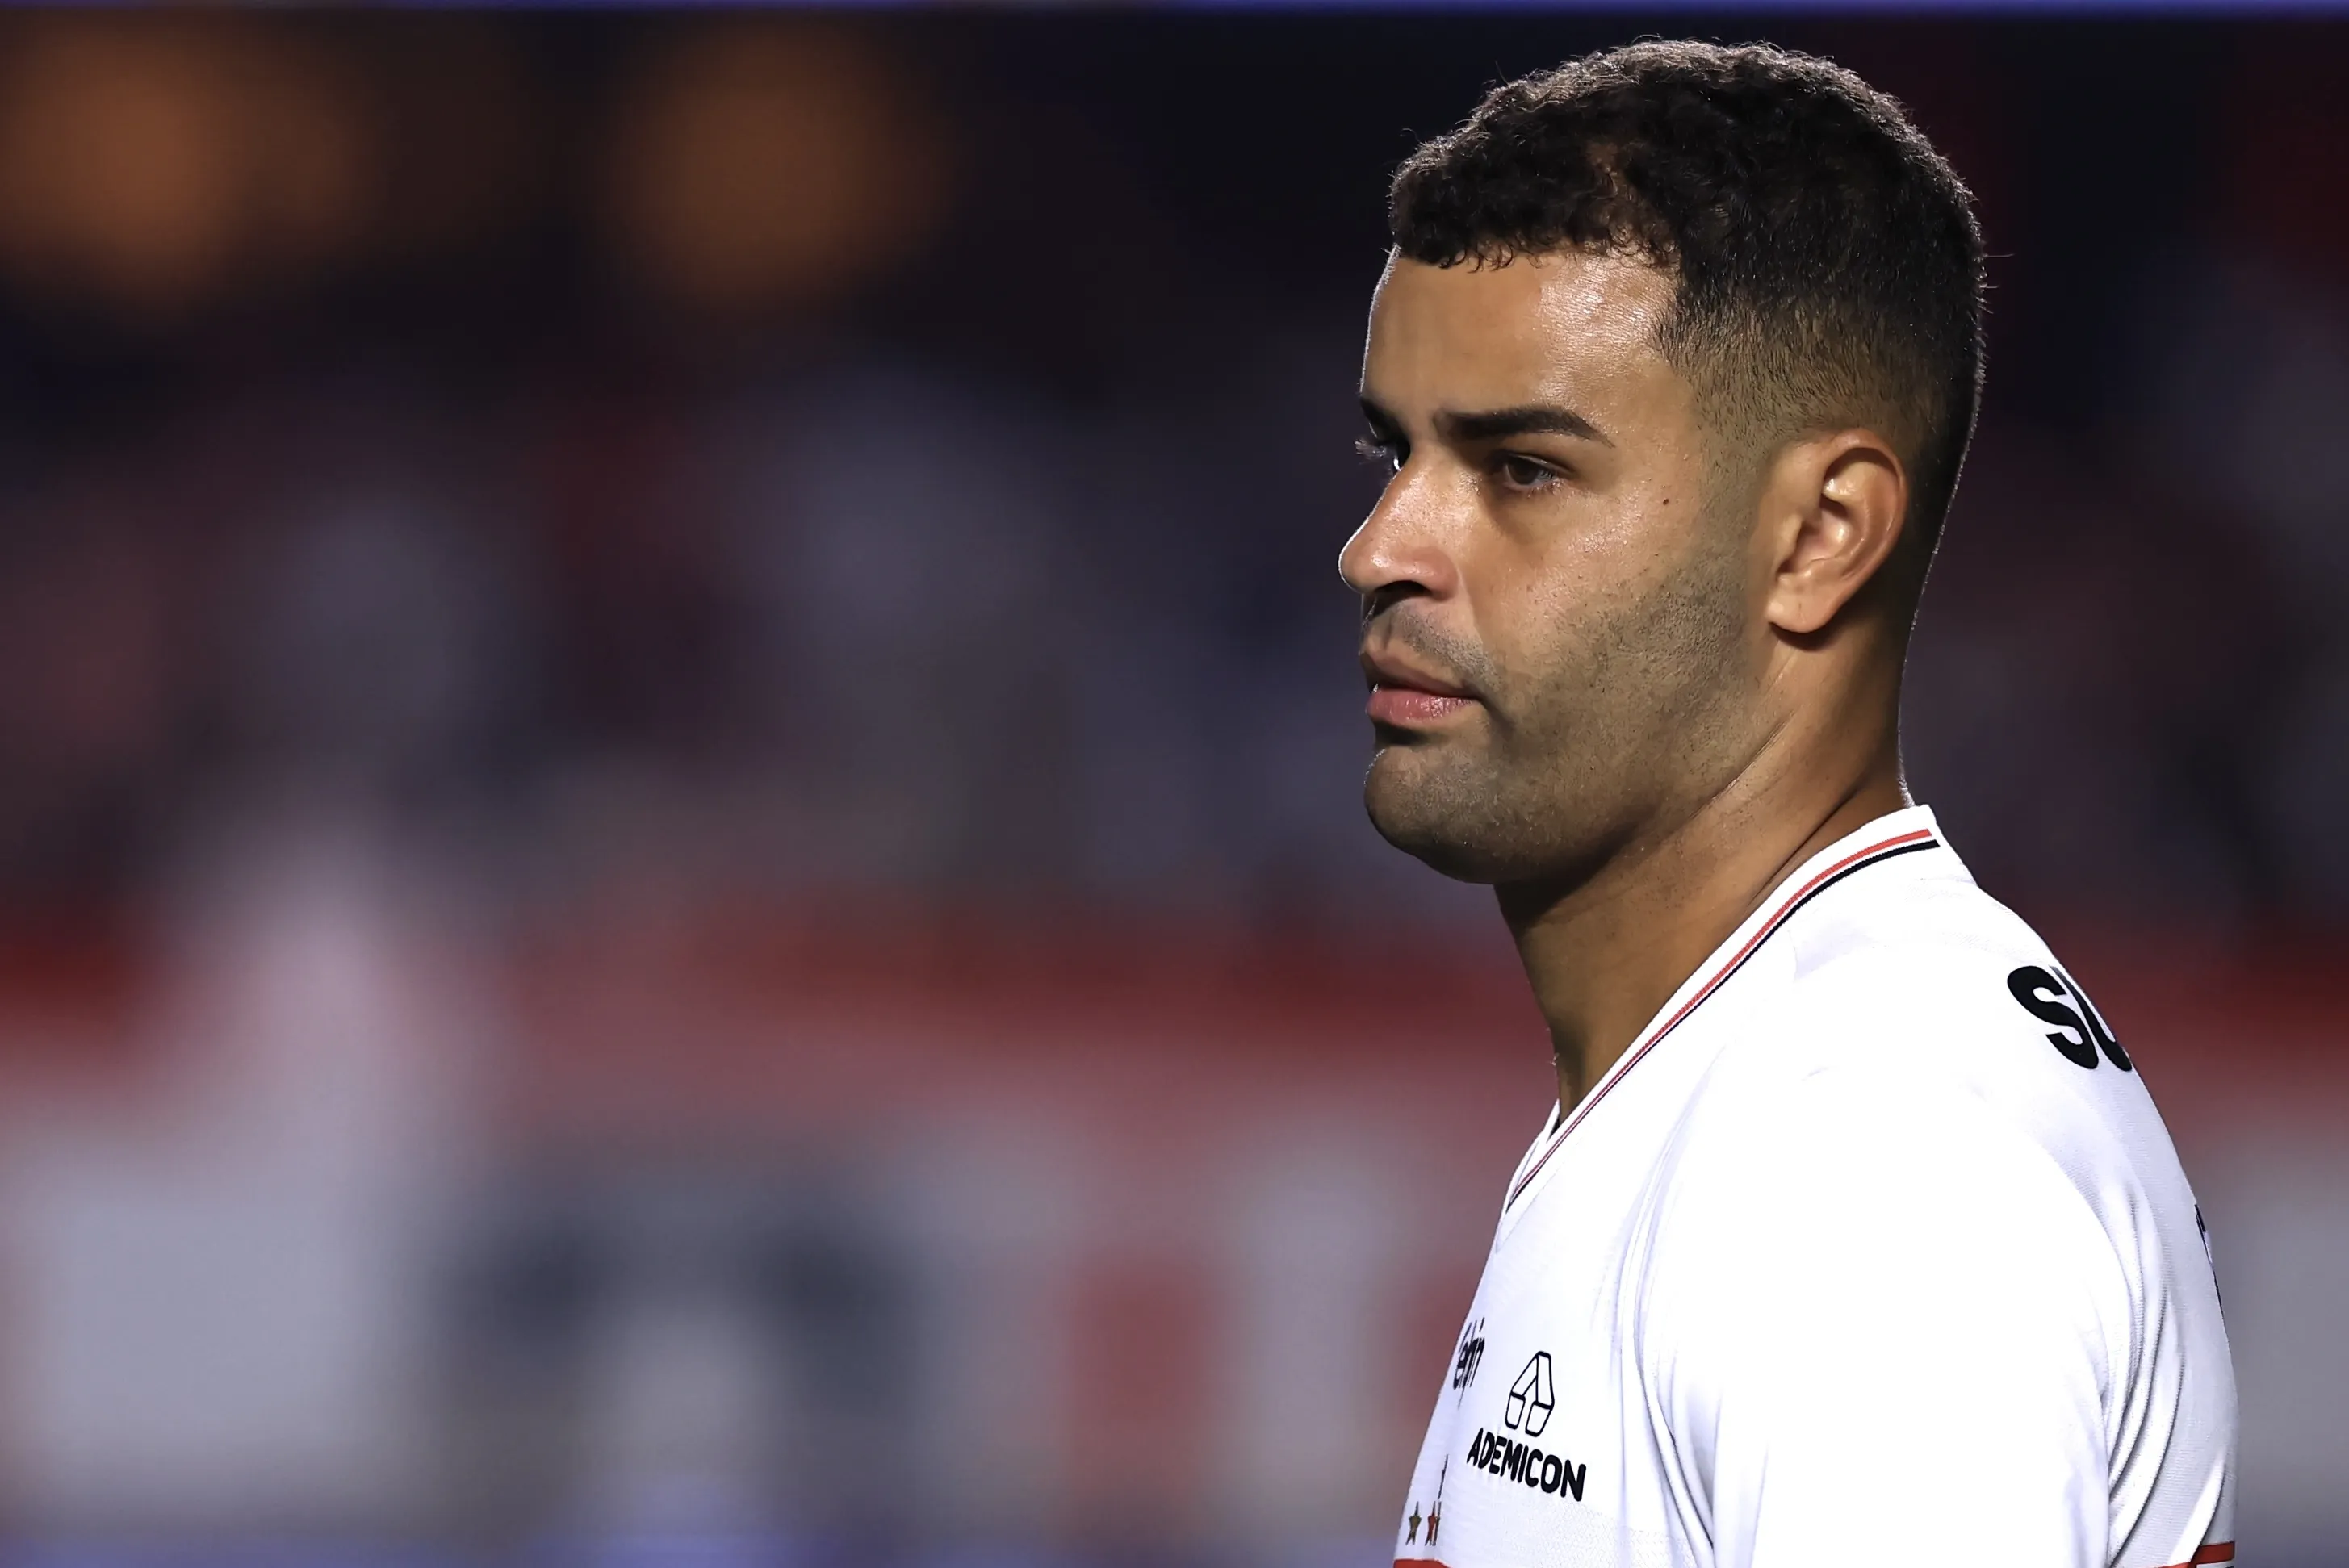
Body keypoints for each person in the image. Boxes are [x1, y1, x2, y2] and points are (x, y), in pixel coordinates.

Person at [1346, 41, 2234, 1568]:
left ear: (1819, 537)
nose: (1382, 546)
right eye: (1398, 450)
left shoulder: (1868, 1168)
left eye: (1523, 468)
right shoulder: (1774, 1076)